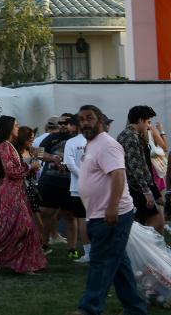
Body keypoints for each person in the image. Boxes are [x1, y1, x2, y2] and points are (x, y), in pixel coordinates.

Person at [74, 105, 148, 315]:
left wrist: (112, 207)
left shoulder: (107, 144)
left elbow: (118, 175)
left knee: (101, 263)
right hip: (98, 214)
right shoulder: (92, 144)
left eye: (89, 118)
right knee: (119, 266)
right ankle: (135, 308)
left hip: (111, 214)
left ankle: (89, 309)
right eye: (81, 119)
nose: (85, 122)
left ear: (100, 121)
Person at [0, 116, 47, 274]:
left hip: (17, 190)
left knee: (25, 227)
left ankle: (22, 263)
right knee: (22, 227)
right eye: (15, 126)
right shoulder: (5, 146)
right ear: (8, 128)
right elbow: (11, 171)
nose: (18, 129)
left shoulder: (10, 146)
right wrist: (30, 168)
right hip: (11, 191)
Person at [118, 104, 165, 233]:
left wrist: (153, 190)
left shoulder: (132, 135)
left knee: (148, 223)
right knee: (155, 222)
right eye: (148, 122)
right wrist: (147, 192)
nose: (149, 126)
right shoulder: (130, 137)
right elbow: (136, 168)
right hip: (135, 187)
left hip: (137, 186)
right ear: (139, 120)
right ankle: (146, 251)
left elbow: (142, 166)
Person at [37, 112, 75, 252]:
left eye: (67, 123)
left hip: (71, 183)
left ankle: (72, 250)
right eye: (61, 123)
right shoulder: (51, 137)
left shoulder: (78, 139)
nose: (63, 125)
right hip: (50, 181)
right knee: (46, 213)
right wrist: (52, 157)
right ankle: (44, 245)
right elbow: (38, 153)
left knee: (70, 216)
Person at [61, 115, 87, 260]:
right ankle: (93, 251)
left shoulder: (71, 142)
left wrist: (81, 176)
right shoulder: (95, 139)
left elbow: (69, 164)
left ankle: (89, 252)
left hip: (77, 187)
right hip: (93, 186)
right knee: (91, 220)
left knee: (82, 220)